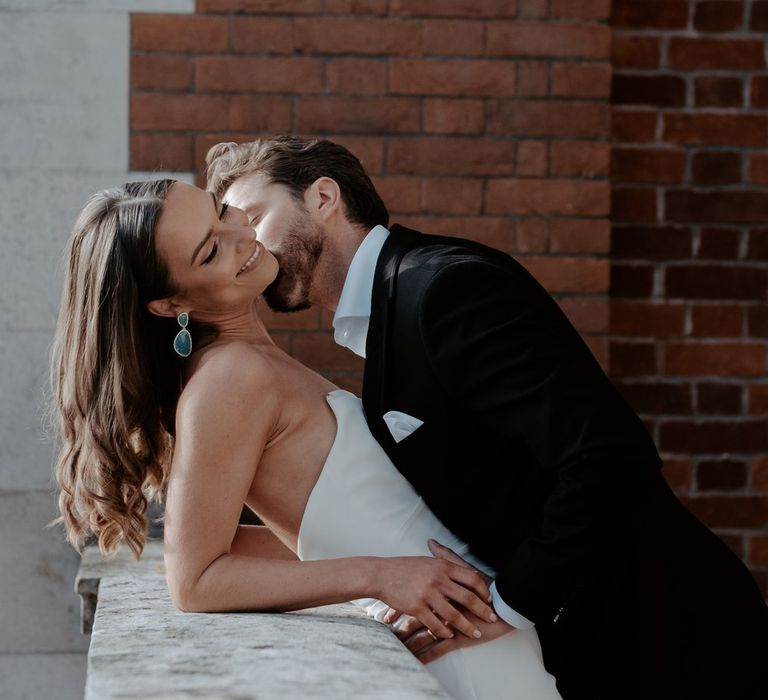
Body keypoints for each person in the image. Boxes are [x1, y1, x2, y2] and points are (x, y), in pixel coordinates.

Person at [207, 135, 768, 700]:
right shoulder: (395, 304)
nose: (248, 246)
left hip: (669, 639)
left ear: (324, 197)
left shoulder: (444, 289)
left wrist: (504, 604)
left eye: (254, 217)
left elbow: (609, 456)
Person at [50, 178, 562, 700]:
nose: (240, 234)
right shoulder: (230, 377)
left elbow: (293, 531)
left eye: (221, 210)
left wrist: (393, 567)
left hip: (463, 618)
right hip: (454, 641)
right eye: (210, 250)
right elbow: (196, 579)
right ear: (168, 304)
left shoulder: (248, 365)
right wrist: (381, 576)